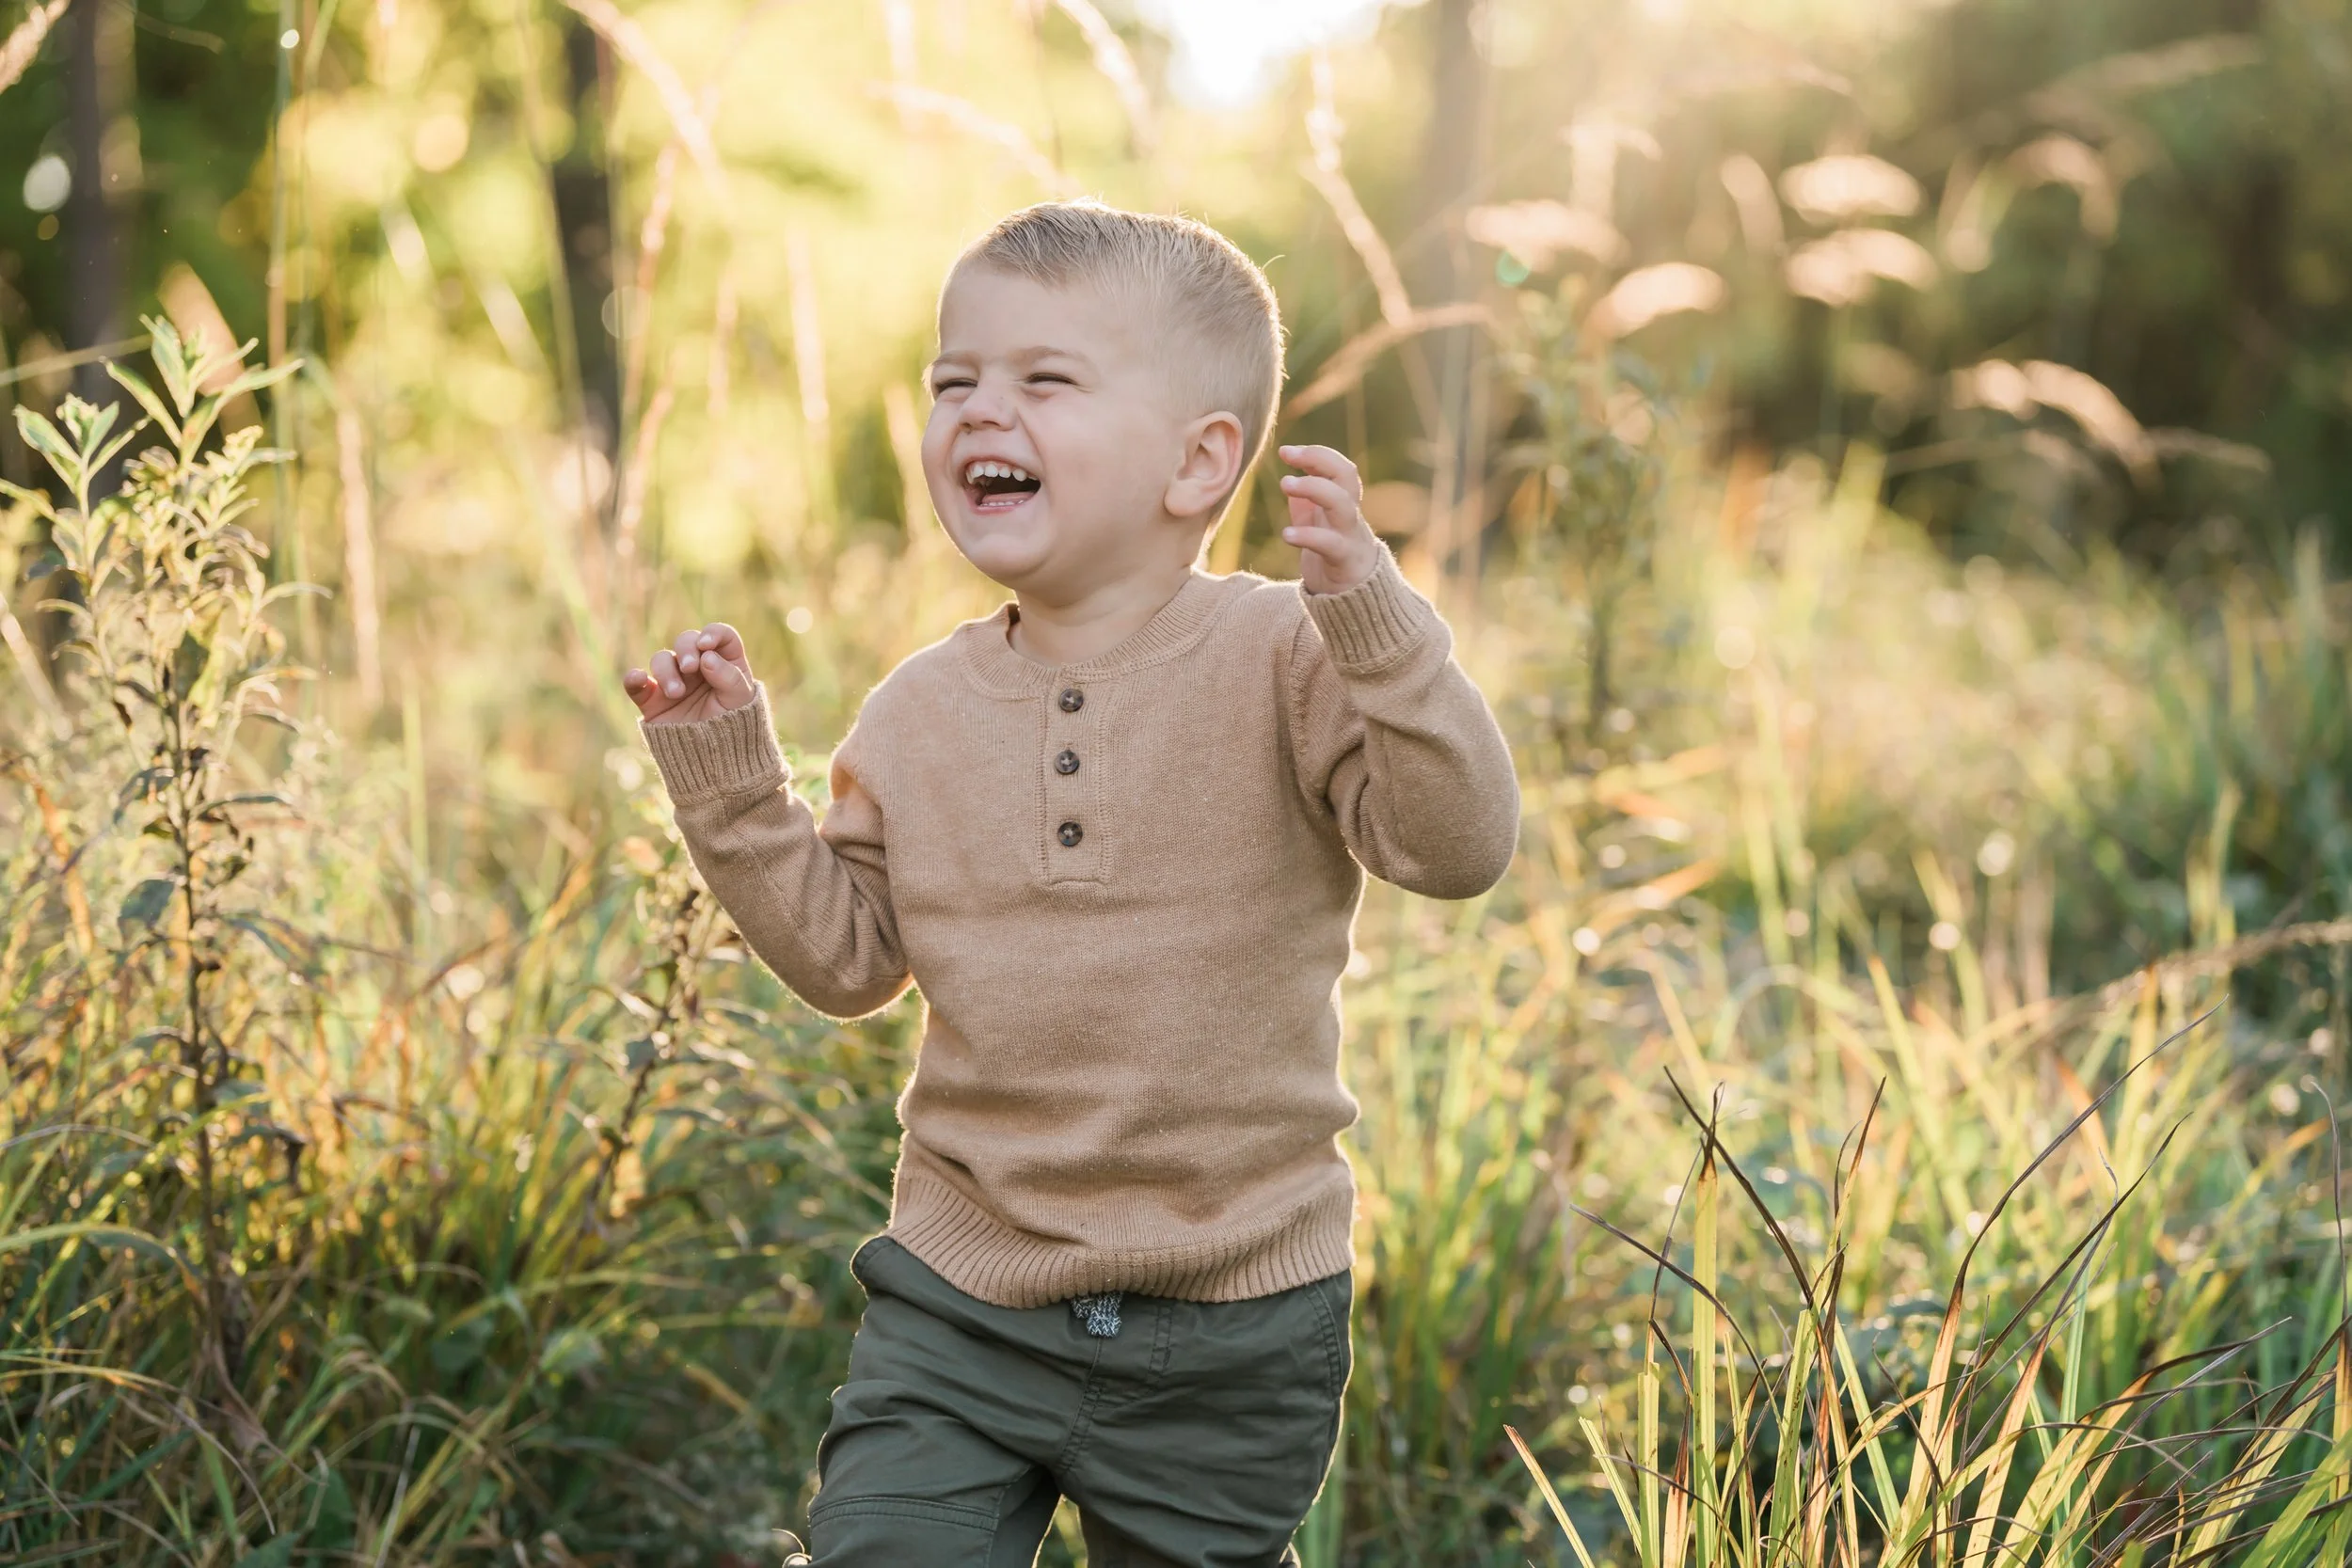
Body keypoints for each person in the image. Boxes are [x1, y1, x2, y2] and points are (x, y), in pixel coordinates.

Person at [623, 200, 1519, 1567]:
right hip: (964, 1295)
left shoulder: (1291, 657)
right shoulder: (918, 711)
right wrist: (732, 781)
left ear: (1196, 461)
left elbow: (1457, 850)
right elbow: (849, 963)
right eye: (953, 380)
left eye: (1044, 379)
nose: (983, 409)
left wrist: (1380, 633)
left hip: (1235, 1312)